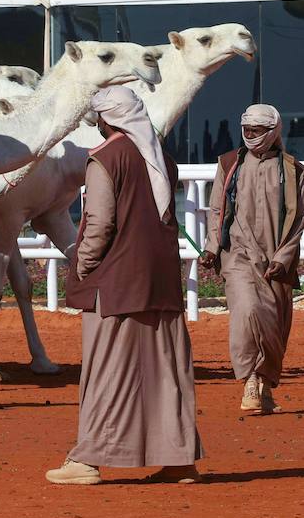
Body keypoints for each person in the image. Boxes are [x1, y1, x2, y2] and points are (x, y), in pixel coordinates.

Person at [47, 86, 204, 486]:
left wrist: (83, 266)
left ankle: (88, 460)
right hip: (161, 282)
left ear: (107, 119)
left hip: (116, 285)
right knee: (166, 372)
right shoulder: (161, 160)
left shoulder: (106, 158)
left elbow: (99, 224)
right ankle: (179, 460)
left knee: (106, 370)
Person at [200, 104, 302, 414]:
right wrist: (212, 247)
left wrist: (284, 258)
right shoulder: (229, 163)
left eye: (257, 131)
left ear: (273, 132)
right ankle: (250, 380)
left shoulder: (292, 170)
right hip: (238, 256)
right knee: (246, 314)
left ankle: (265, 384)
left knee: (274, 327)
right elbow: (217, 209)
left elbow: (297, 221)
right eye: (247, 130)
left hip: (274, 260)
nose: (251, 135)